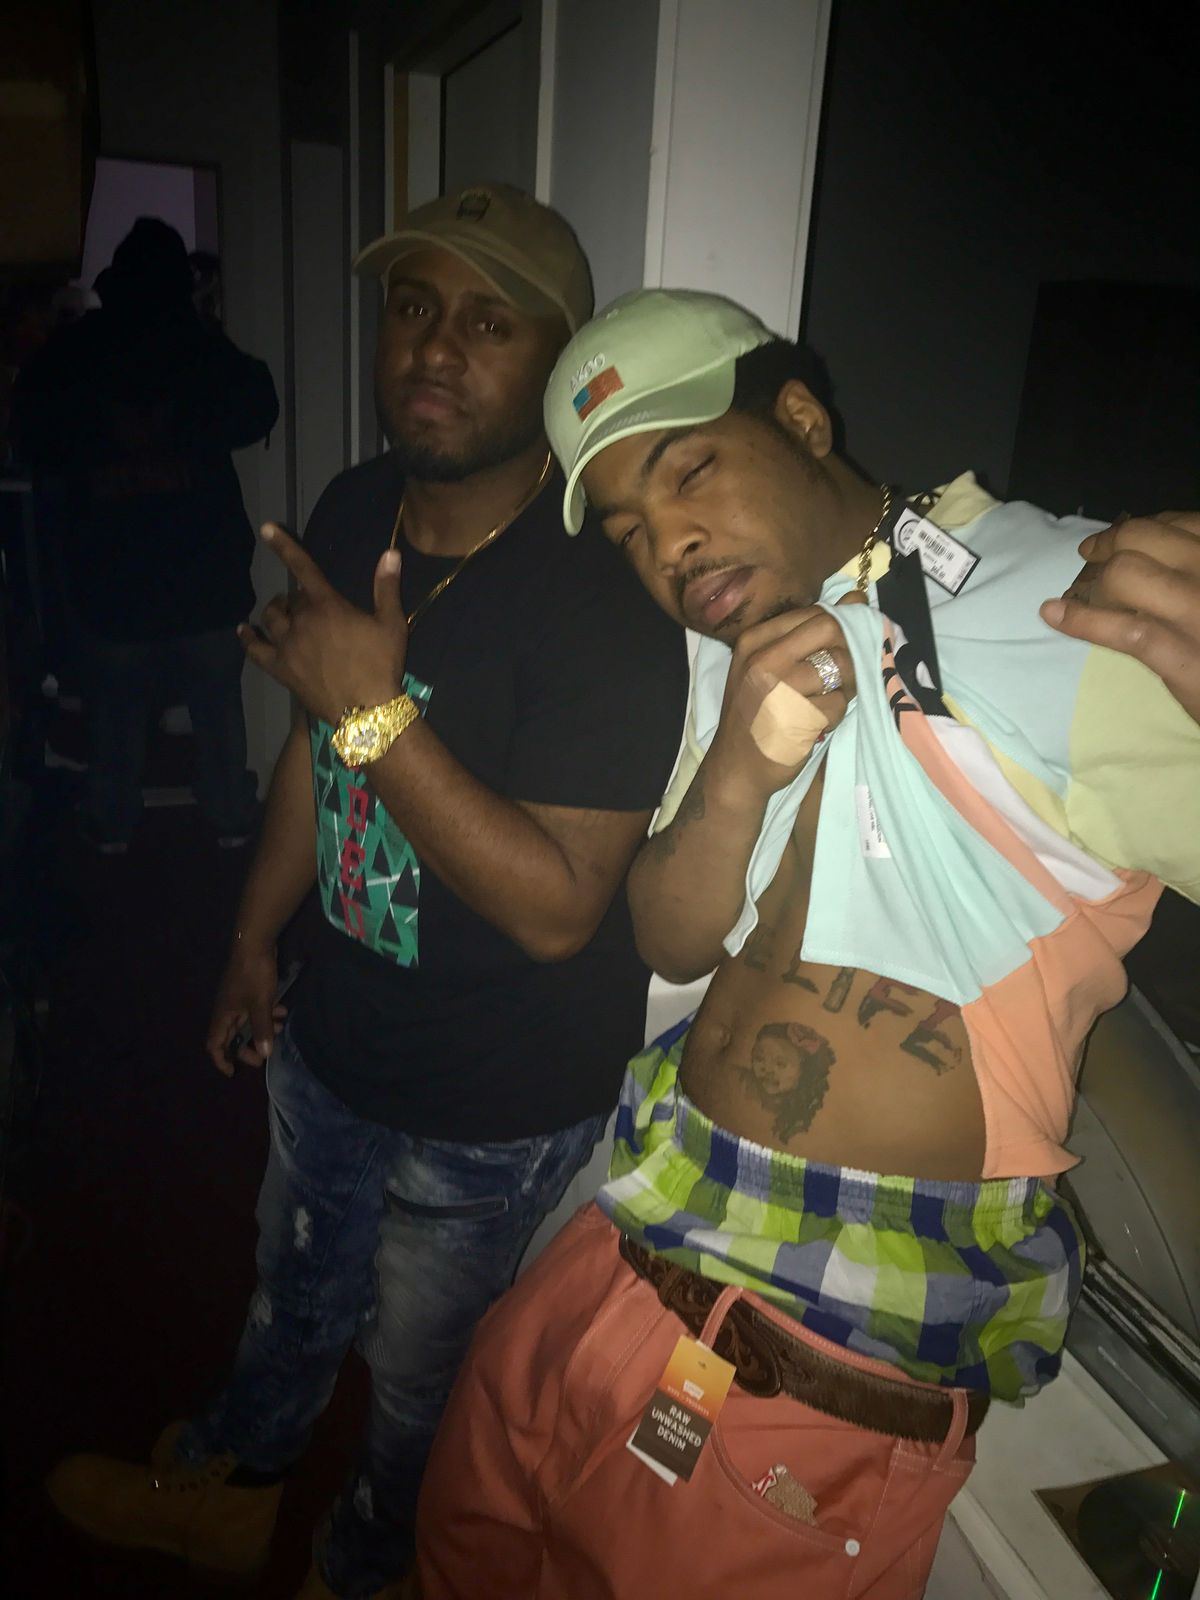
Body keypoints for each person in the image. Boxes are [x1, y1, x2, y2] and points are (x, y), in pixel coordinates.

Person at [412, 289, 1200, 1599]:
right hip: (628, 1237)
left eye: (690, 471)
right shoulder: (724, 640)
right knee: (455, 1552)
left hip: (820, 1350)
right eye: (630, 528)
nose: (669, 544)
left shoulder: (1069, 605)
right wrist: (734, 770)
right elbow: (671, 935)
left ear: (800, 416)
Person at [44, 189, 688, 1599]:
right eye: (413, 307)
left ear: (560, 360)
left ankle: (367, 1566)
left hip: (495, 1100)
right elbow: (309, 755)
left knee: (420, 1378)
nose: (435, 347)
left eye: (490, 321)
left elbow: (560, 909)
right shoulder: (352, 506)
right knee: (291, 1290)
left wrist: (373, 710)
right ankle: (231, 1489)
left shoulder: (604, 595)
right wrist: (251, 937)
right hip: (332, 1034)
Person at [14, 217, 277, 851]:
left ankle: (112, 822)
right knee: (216, 707)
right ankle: (230, 816)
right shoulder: (198, 346)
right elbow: (258, 405)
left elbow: (31, 432)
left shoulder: (78, 350)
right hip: (201, 574)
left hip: (114, 573)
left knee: (116, 712)